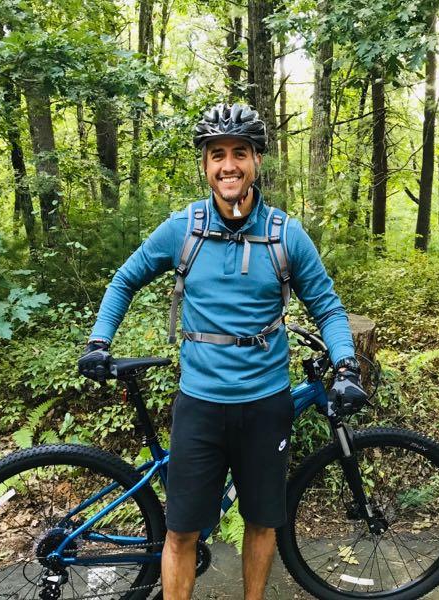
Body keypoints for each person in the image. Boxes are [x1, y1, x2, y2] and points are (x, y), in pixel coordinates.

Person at [78, 102, 365, 600]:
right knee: (181, 532)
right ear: (205, 165)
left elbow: (328, 306)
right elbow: (125, 279)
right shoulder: (182, 229)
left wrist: (345, 364)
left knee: (260, 522)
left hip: (264, 404)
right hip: (200, 405)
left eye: (239, 153)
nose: (228, 164)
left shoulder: (285, 235)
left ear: (255, 161)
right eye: (217, 155)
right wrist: (99, 341)